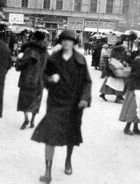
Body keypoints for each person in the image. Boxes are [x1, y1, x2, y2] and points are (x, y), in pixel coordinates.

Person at [31, 30, 92, 184]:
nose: (66, 43)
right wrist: (50, 78)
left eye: (69, 40)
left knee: (71, 134)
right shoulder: (53, 59)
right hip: (55, 102)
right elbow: (43, 77)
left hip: (74, 103)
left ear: (74, 43)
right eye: (64, 40)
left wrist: (85, 98)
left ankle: (68, 160)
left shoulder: (80, 59)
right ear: (60, 42)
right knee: (50, 135)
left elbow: (87, 82)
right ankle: (48, 171)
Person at [16, 31, 49, 129]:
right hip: (40, 81)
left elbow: (22, 64)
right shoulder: (46, 52)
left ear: (34, 38)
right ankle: (33, 120)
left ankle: (26, 119)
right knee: (36, 101)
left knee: (24, 101)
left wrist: (18, 61)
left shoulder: (30, 50)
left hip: (27, 79)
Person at [119, 45, 140, 135]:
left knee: (139, 107)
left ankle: (135, 128)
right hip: (136, 87)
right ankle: (127, 128)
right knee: (134, 108)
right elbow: (139, 75)